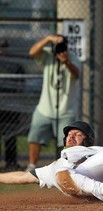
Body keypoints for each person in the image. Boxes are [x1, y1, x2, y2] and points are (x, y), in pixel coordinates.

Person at [26, 34, 81, 171]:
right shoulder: (48, 56)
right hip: (44, 107)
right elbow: (32, 52)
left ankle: (64, 168)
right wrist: (48, 39)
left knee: (67, 140)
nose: (60, 51)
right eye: (58, 48)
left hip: (66, 109)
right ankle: (32, 166)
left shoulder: (73, 59)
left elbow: (76, 74)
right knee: (35, 136)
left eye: (63, 47)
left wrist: (66, 61)